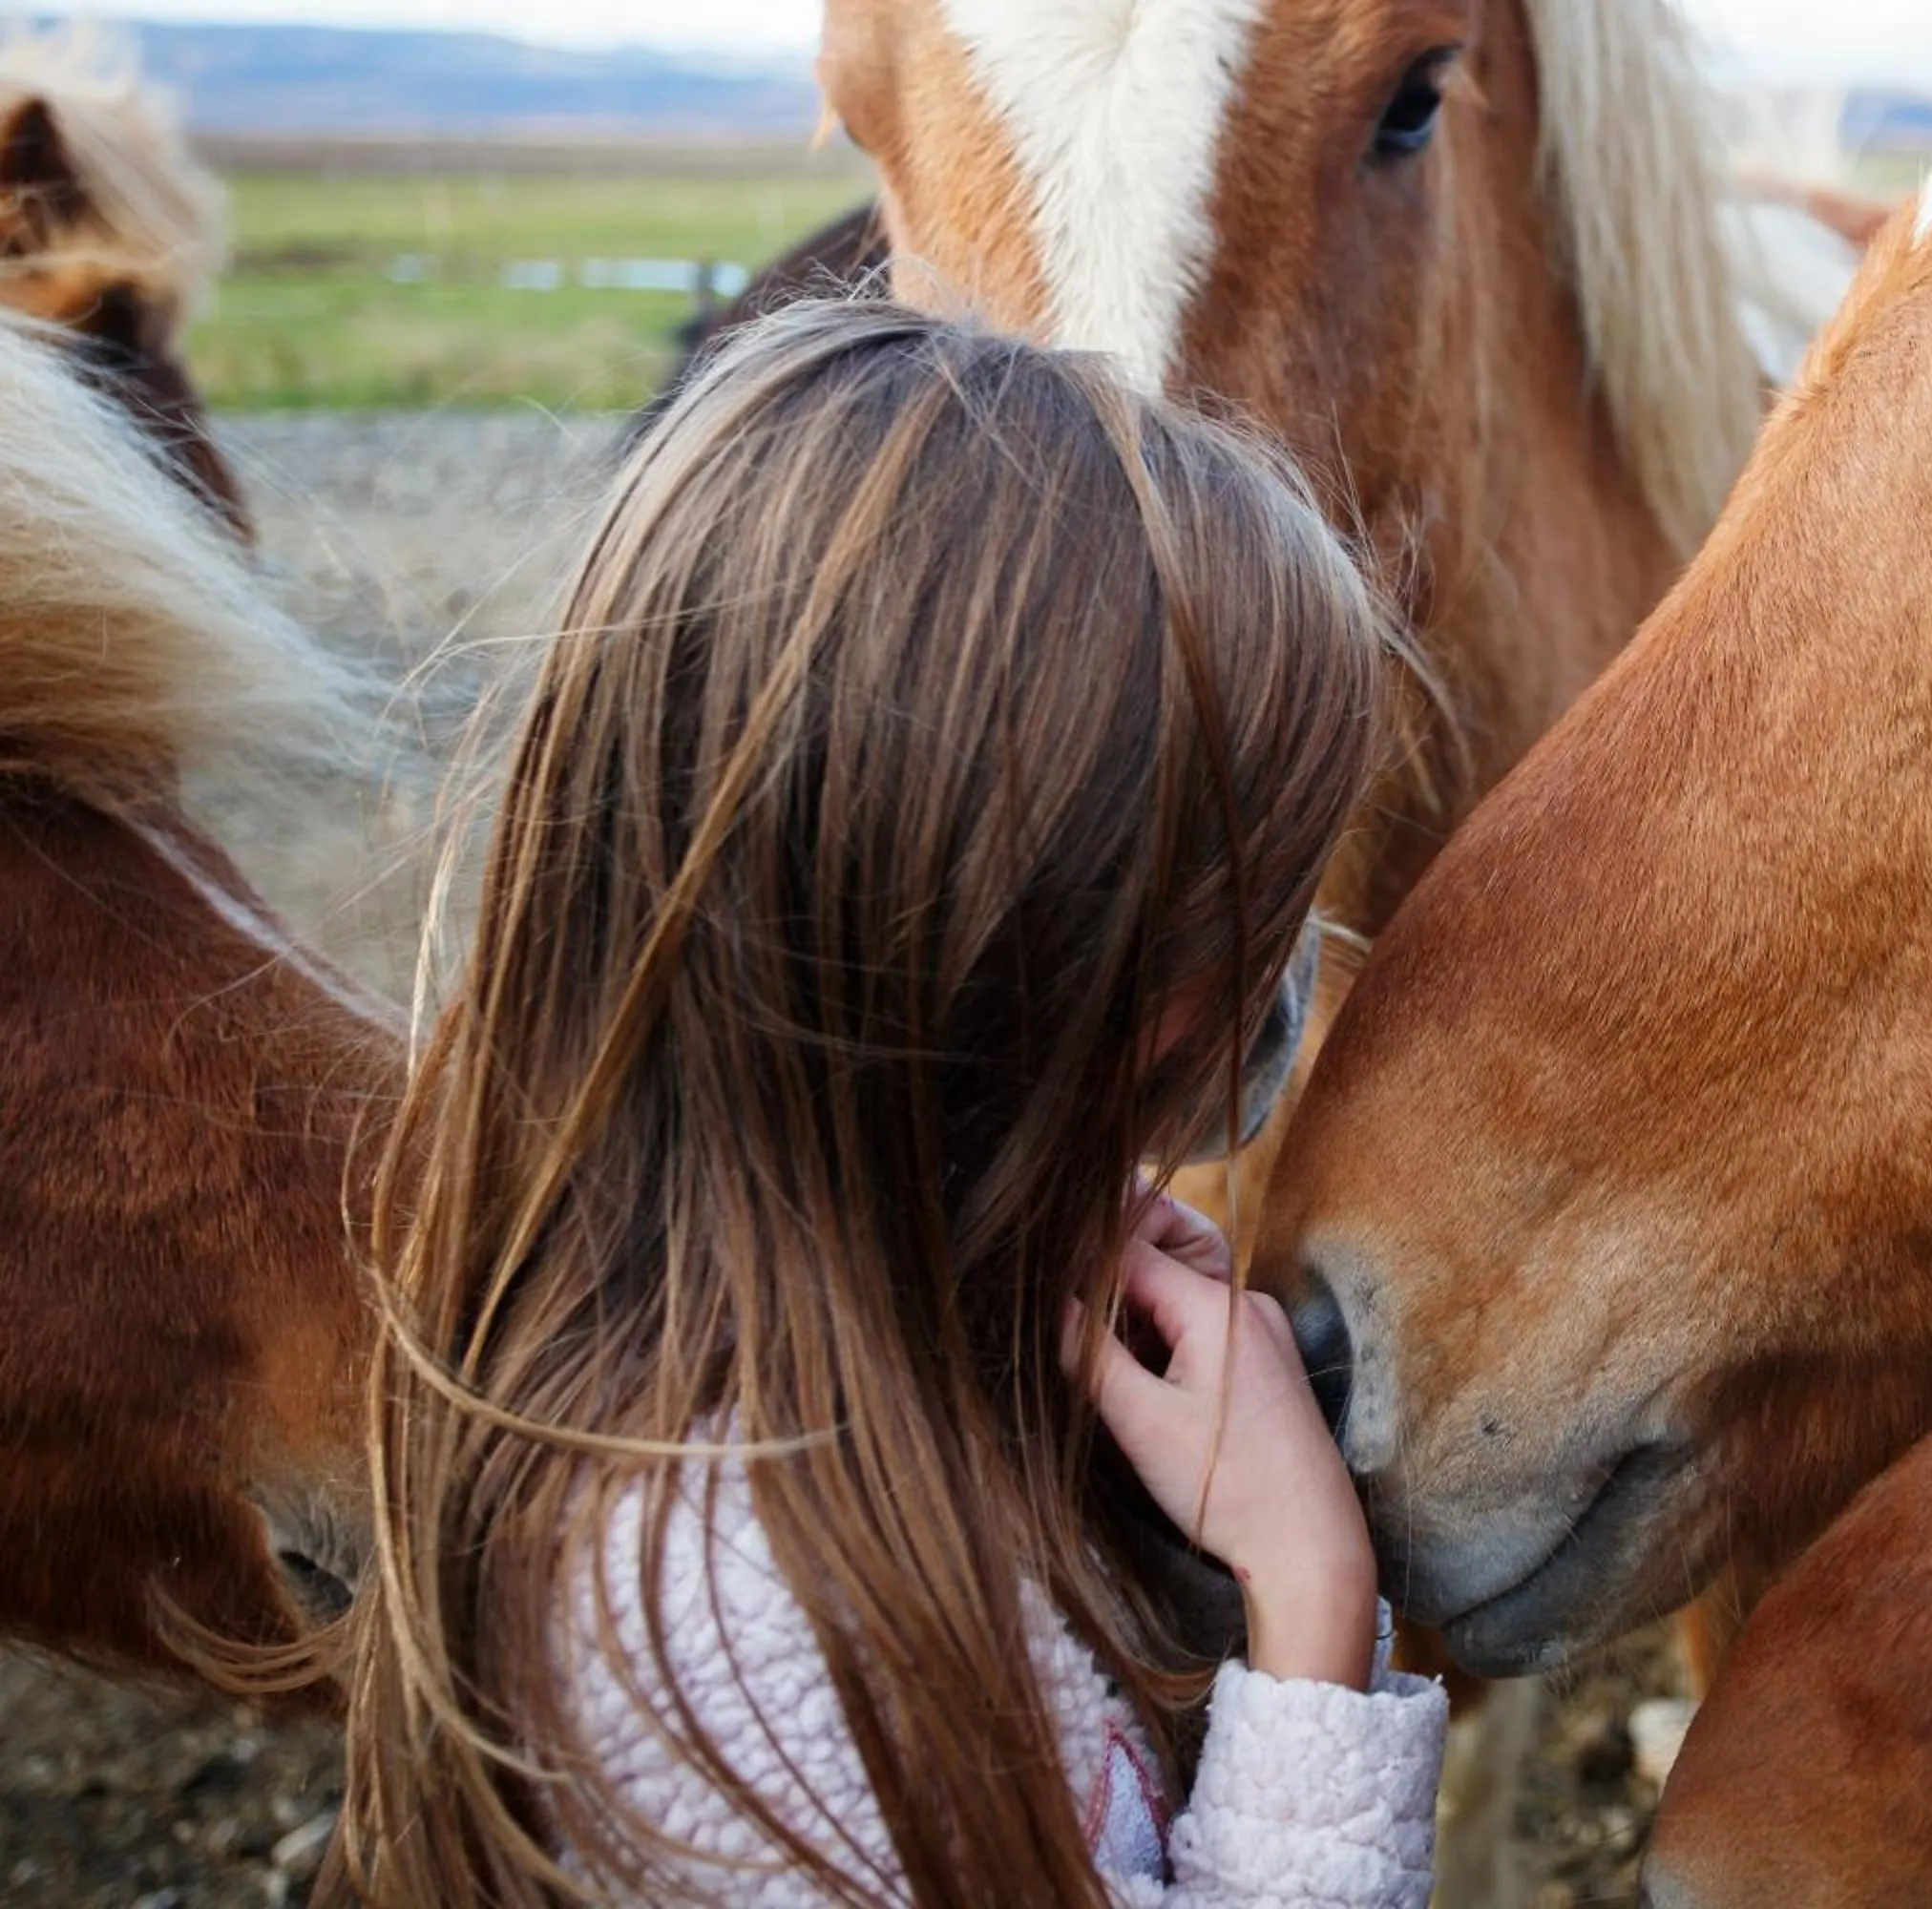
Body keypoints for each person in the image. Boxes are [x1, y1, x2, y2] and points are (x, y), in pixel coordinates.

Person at [332, 300, 1445, 1906]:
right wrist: (1308, 1600)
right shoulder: (718, 1638)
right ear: (1021, 949)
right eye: (1252, 899)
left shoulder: (848, 1382)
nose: (1292, 964)